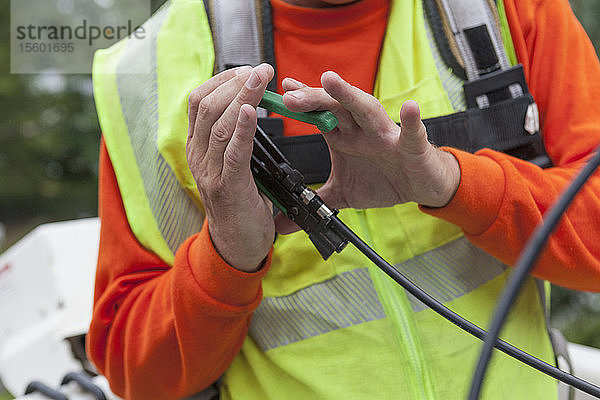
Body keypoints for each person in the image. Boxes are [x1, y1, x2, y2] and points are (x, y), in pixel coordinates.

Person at [87, 0, 600, 399]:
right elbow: (136, 374)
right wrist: (227, 255)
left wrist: (453, 183)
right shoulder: (144, 75)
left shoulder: (505, 9)